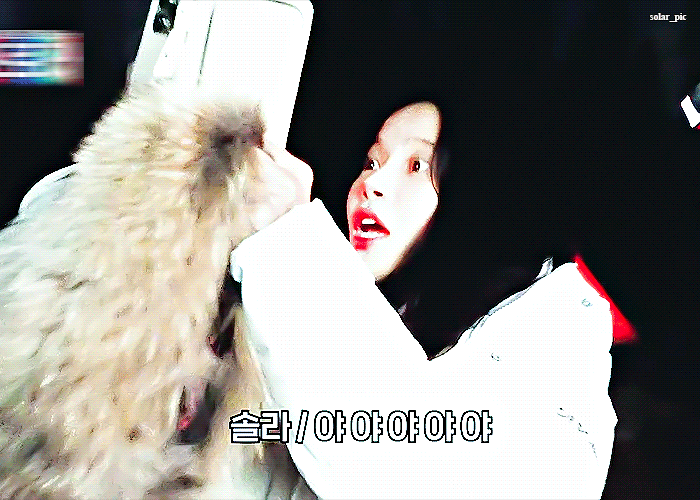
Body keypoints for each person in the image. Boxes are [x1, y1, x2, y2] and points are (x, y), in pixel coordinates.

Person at [228, 97, 619, 499]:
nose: (372, 185)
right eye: (372, 162)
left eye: (417, 165)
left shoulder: (560, 355)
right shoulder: (375, 329)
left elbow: (398, 461)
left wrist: (288, 243)